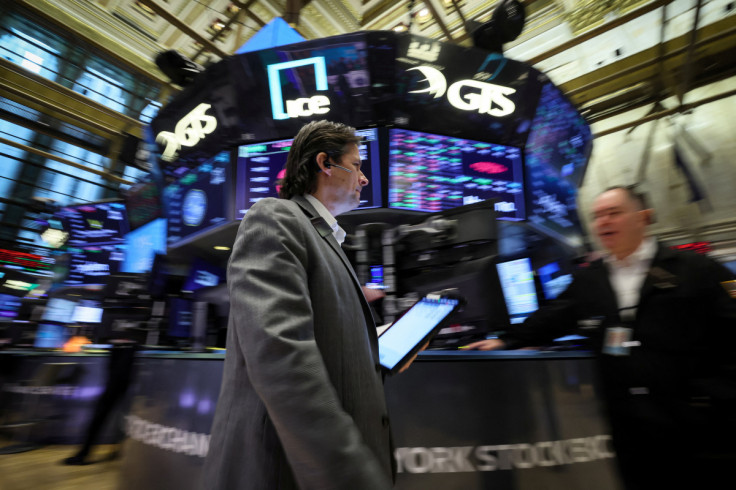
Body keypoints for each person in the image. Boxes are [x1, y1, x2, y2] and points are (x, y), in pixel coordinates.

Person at [465, 185, 736, 489]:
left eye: (614, 213)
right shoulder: (590, 279)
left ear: (643, 217)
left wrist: (719, 396)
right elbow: (552, 317)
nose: (603, 222)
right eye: (597, 216)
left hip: (695, 422)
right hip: (629, 425)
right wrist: (506, 341)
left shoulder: (697, 269)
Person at [201, 121, 394, 489]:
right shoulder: (275, 217)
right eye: (356, 165)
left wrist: (379, 350)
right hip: (281, 472)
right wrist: (351, 476)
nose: (364, 178)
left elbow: (324, 341)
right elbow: (281, 356)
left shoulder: (328, 241)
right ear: (325, 163)